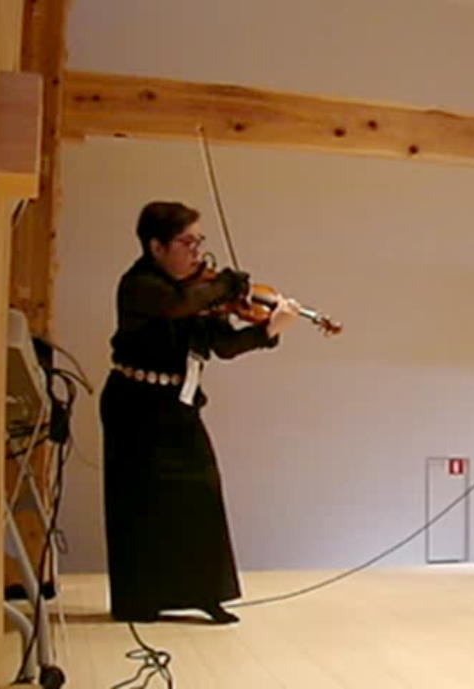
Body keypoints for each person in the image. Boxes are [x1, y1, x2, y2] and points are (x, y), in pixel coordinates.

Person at [101, 201, 300, 623]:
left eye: (198, 242)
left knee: (200, 493)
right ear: (156, 246)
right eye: (186, 243)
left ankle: (205, 594)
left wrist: (267, 330)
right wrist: (227, 283)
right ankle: (140, 600)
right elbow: (179, 305)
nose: (196, 252)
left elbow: (222, 346)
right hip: (133, 405)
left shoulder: (199, 292)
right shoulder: (140, 285)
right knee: (139, 502)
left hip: (179, 403)